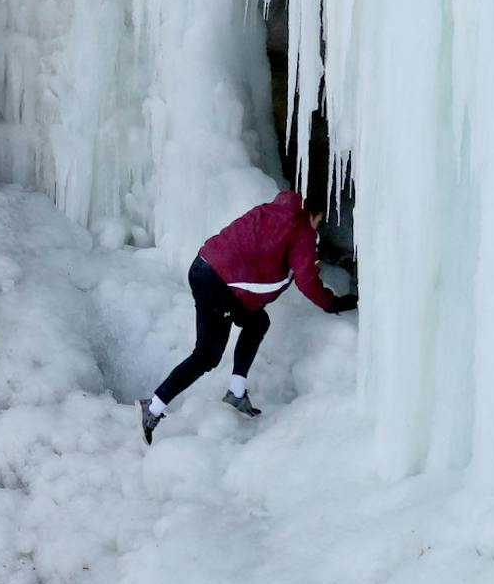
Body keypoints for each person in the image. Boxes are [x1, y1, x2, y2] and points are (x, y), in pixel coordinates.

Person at [140, 187, 356, 441]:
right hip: (219, 285)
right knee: (206, 356)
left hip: (203, 267)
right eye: (319, 221)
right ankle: (152, 407)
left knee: (257, 322)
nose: (318, 227)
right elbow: (306, 280)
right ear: (314, 215)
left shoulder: (273, 210)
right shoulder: (301, 230)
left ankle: (236, 392)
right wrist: (332, 304)